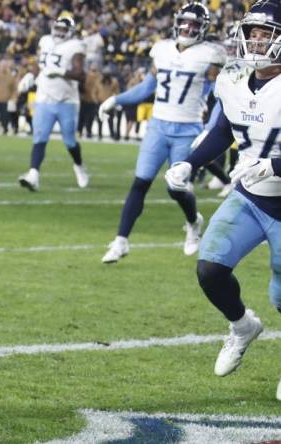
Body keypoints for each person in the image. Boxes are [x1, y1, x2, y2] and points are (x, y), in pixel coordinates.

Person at [164, 0, 281, 401]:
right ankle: (243, 326)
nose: (258, 40)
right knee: (210, 270)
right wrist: (189, 163)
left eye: (267, 33)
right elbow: (221, 130)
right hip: (250, 197)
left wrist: (275, 165)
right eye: (253, 32)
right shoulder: (232, 76)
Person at [99, 2, 226, 263]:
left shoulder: (210, 54)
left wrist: (210, 129)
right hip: (158, 125)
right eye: (185, 22)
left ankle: (193, 224)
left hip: (187, 128)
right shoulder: (162, 50)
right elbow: (147, 87)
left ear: (203, 28)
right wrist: (117, 99)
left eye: (194, 24)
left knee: (175, 187)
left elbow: (221, 97)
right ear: (177, 22)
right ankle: (121, 240)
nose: (188, 27)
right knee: (140, 181)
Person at [17, 13, 88, 191]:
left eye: (63, 29)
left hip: (67, 101)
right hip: (44, 98)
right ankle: (33, 175)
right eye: (58, 27)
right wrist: (30, 75)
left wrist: (61, 71)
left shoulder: (76, 46)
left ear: (70, 31)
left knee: (70, 141)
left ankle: (79, 166)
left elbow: (81, 75)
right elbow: (39, 63)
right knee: (39, 138)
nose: (59, 32)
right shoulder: (45, 41)